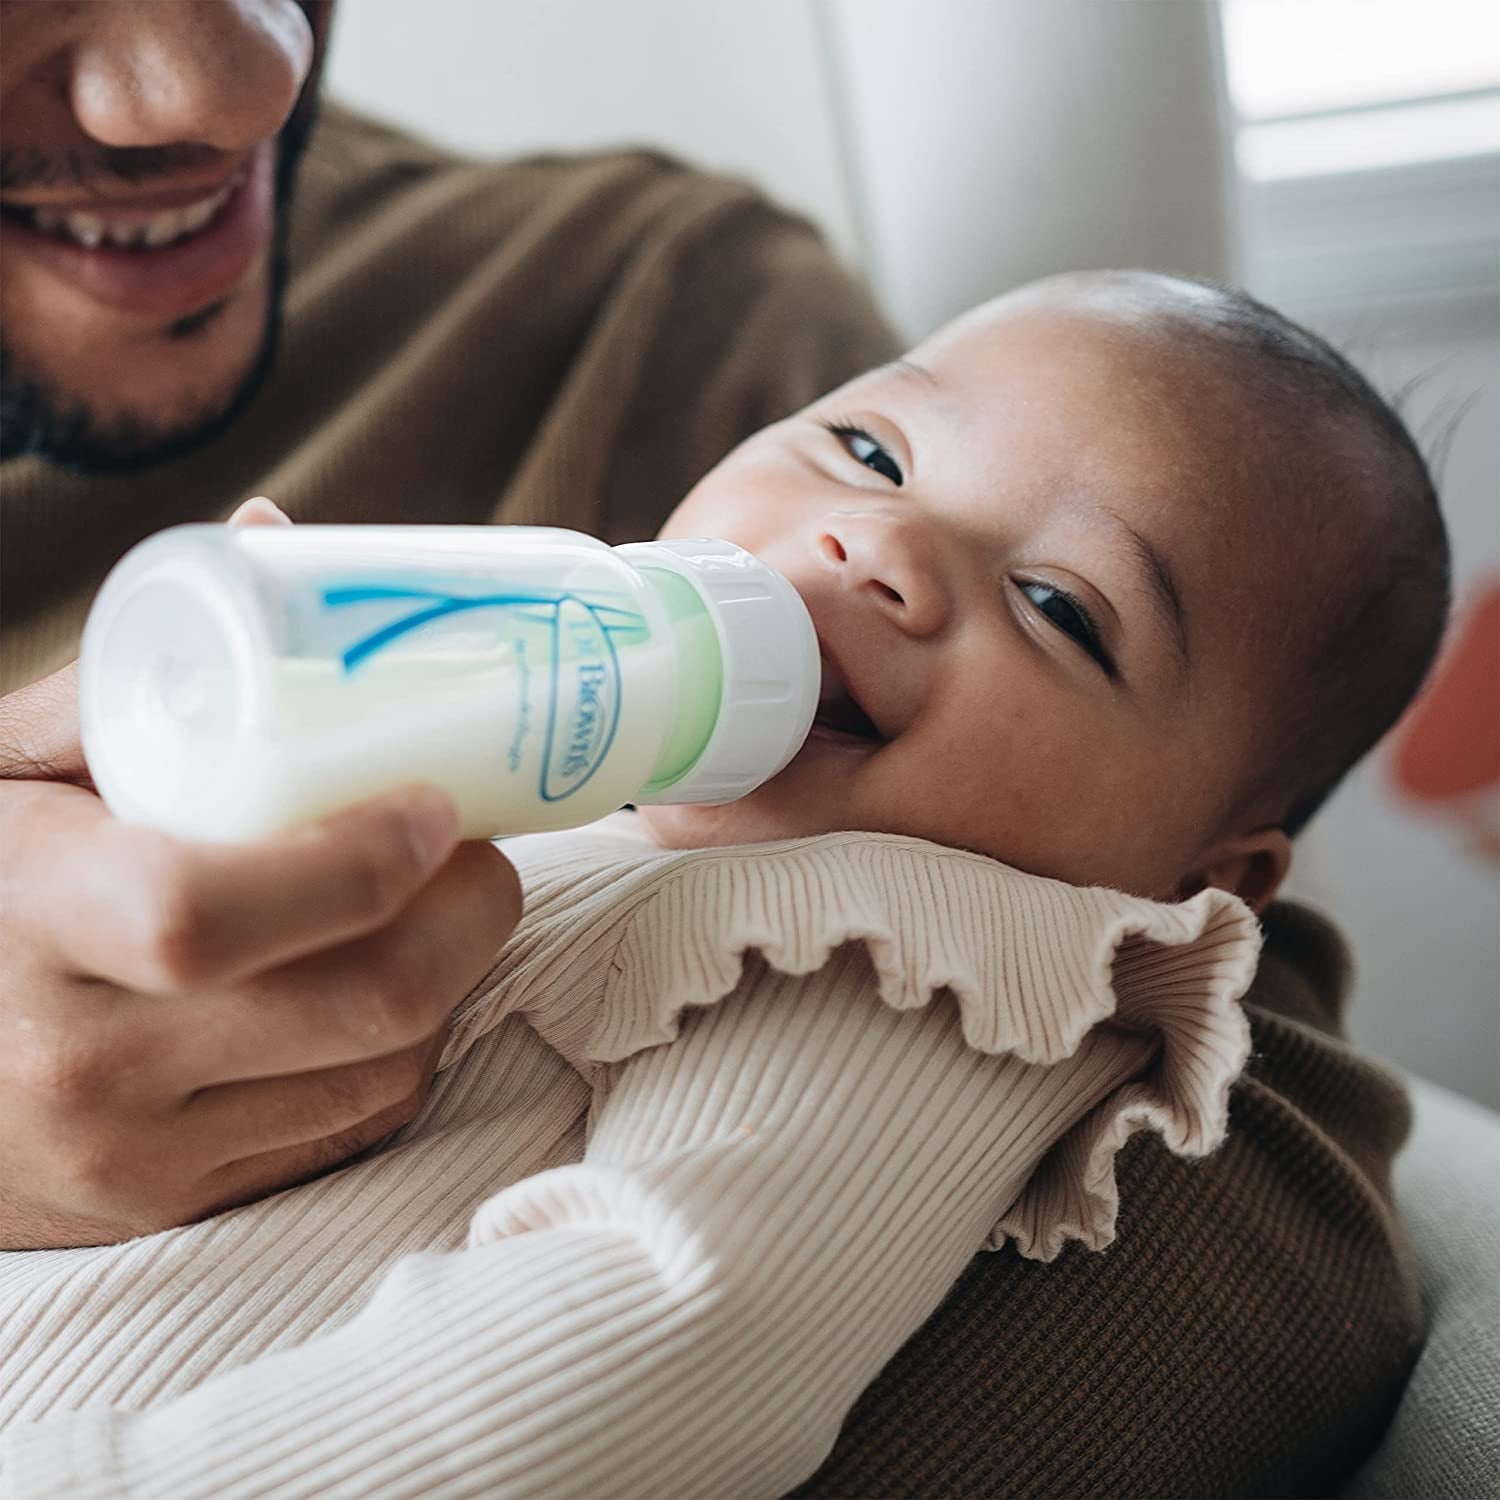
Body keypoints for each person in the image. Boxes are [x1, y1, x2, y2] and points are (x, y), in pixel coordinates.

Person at [0, 3, 1427, 1495]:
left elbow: (620, 1373)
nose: (883, 544)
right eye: (867, 453)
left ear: (1210, 875)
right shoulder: (609, 817)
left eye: (1064, 609)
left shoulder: (916, 966)